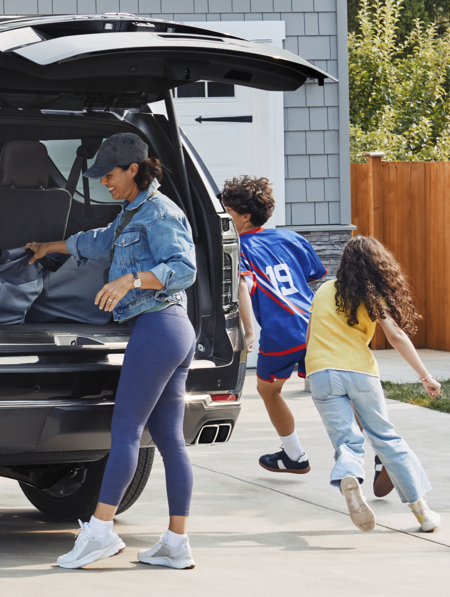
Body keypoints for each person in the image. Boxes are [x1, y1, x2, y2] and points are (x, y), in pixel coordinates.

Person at [26, 132, 198, 570]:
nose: (103, 181)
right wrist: (51, 247)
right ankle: (176, 544)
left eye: (109, 174)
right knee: (168, 439)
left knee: (125, 432)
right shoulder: (130, 214)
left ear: (133, 170)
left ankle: (100, 532)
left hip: (158, 327)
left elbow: (184, 269)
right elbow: (99, 241)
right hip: (169, 330)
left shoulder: (160, 213)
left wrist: (130, 280)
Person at [304, 236, 442, 533]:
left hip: (320, 373)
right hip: (359, 372)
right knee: (386, 439)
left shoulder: (323, 291)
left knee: (346, 442)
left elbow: (309, 334)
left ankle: (351, 477)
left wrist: (310, 371)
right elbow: (395, 336)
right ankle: (423, 513)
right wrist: (425, 376)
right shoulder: (372, 294)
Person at [218, 176, 325, 475]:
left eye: (228, 211)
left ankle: (294, 455)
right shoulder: (291, 238)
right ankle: (381, 451)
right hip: (316, 326)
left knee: (268, 390)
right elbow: (310, 280)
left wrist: (248, 332)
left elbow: (242, 289)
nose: (224, 216)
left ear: (245, 216)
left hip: (282, 334)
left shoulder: (238, 249)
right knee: (339, 393)